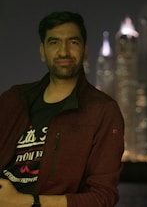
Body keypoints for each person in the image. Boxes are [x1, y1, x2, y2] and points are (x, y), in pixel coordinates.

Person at [0, 11, 125, 207]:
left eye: (73, 42)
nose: (64, 51)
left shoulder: (102, 110)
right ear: (42, 51)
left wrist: (25, 202)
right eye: (54, 42)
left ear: (85, 50)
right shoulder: (14, 99)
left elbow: (102, 198)